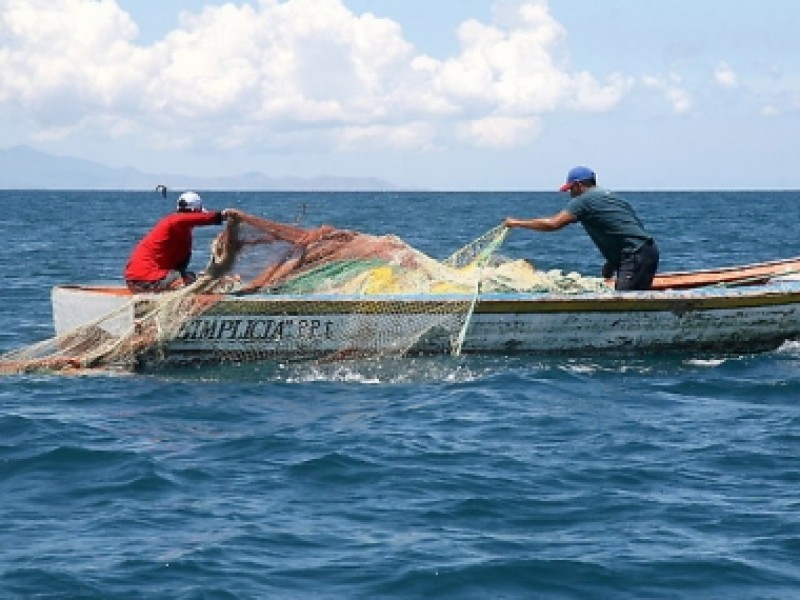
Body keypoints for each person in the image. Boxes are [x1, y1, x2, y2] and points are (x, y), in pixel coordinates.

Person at [504, 166, 659, 291]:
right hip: (647, 250)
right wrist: (612, 262)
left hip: (634, 255)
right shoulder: (612, 197)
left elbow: (553, 224)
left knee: (623, 304)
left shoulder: (584, 200)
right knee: (635, 297)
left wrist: (517, 223)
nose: (570, 194)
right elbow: (624, 229)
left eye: (571, 189)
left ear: (578, 185)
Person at [124, 191, 240, 293]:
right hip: (143, 280)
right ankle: (221, 283)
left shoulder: (181, 232)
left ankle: (217, 282)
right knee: (192, 280)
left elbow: (179, 267)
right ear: (195, 212)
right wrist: (221, 216)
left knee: (192, 277)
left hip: (139, 280)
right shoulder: (174, 221)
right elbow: (198, 218)